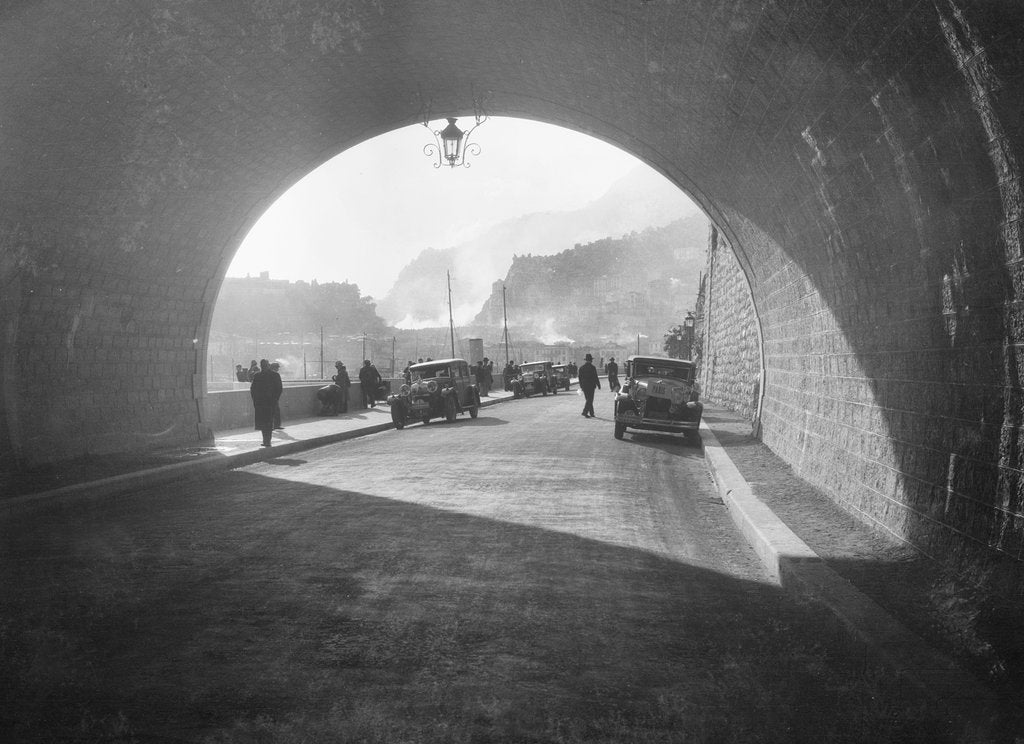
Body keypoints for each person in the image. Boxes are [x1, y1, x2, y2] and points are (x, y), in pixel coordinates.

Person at [250, 358, 282, 447]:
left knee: (263, 422)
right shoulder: (275, 375)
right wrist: (275, 400)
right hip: (270, 403)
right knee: (269, 421)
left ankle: (266, 440)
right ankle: (267, 441)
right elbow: (279, 389)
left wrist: (255, 401)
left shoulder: (257, 376)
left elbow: (253, 390)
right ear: (268, 365)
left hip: (261, 403)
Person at [578, 353, 601, 418]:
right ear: (591, 360)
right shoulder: (593, 367)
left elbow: (580, 378)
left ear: (586, 360)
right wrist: (598, 384)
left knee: (588, 399)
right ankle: (585, 412)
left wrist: (581, 386)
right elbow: (595, 377)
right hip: (591, 385)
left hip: (584, 386)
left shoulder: (581, 368)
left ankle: (591, 413)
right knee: (590, 399)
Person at [270, 362, 284, 429]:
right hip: (274, 396)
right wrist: (277, 396)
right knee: (276, 411)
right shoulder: (276, 375)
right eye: (277, 367)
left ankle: (271, 425)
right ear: (275, 368)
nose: (278, 369)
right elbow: (279, 387)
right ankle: (276, 425)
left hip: (268, 396)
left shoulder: (267, 374)